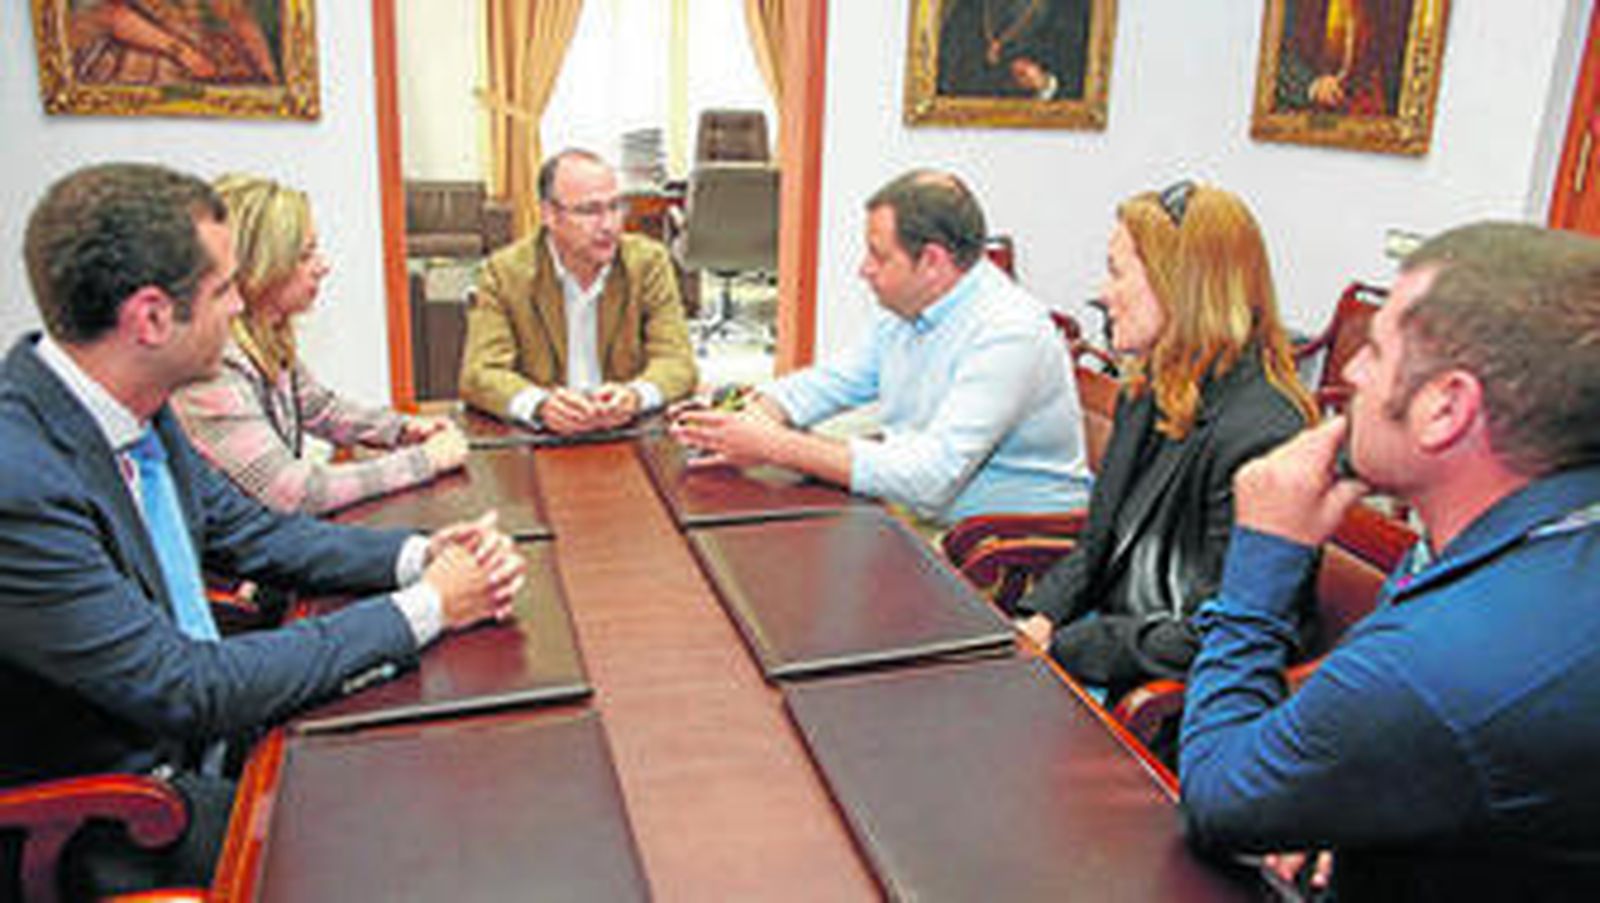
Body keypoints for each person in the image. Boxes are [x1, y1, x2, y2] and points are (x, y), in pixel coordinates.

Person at [0, 162, 526, 896]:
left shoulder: (133, 403)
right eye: (223, 290)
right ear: (151, 317)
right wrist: (433, 604)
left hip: (208, 737)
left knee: (455, 777)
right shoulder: (18, 480)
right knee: (418, 851)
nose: (240, 304)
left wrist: (419, 555)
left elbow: (256, 534)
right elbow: (186, 683)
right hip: (117, 814)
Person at [1180, 222, 1600, 898]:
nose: (1349, 373)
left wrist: (1263, 556)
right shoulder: (1550, 531)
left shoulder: (1450, 659)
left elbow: (1221, 800)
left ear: (1446, 407)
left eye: (1375, 350)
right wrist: (1343, 789)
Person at [1012, 182, 1317, 703]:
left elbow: (1219, 637)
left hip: (1170, 708)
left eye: (1117, 271)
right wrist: (1039, 617)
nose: (1103, 293)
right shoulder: (1148, 388)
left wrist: (1068, 647)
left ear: (1182, 286)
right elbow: (1096, 545)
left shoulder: (1267, 433)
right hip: (1114, 657)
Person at [670, 169, 1090, 527]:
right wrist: (758, 413)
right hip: (922, 514)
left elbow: (931, 479)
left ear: (932, 262)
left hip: (1005, 545)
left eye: (877, 255)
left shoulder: (1009, 332)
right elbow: (833, 381)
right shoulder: (905, 309)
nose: (863, 270)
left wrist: (774, 445)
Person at [172, 173, 468, 515]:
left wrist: (402, 429)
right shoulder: (211, 366)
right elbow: (297, 492)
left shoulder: (265, 336)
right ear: (260, 265)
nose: (322, 267)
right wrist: (423, 462)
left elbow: (321, 409)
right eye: (305, 255)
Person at [458, 148, 697, 435]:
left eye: (616, 207)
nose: (609, 225)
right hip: (542, 440)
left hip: (627, 435)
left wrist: (635, 396)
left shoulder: (648, 263)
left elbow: (678, 362)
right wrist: (540, 405)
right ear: (549, 214)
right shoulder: (504, 273)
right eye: (589, 211)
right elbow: (480, 374)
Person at [936, 0, 1092, 100]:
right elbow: (943, 81)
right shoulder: (969, 6)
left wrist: (1045, 84)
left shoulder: (1071, 8)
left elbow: (1081, 89)